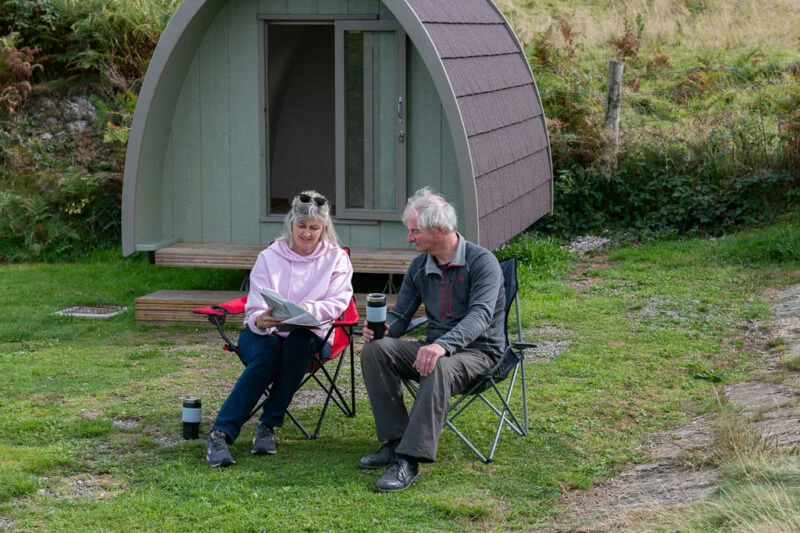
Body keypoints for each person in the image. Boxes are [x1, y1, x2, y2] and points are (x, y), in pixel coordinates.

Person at [359, 187, 506, 492]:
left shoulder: (483, 262)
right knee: (376, 350)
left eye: (414, 231)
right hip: (434, 349)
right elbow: (400, 315)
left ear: (438, 230)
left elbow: (480, 317)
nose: (410, 238)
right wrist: (383, 329)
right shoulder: (419, 267)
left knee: (437, 365)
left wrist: (442, 346)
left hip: (479, 352)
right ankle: (396, 440)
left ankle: (408, 460)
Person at [206, 190, 353, 467]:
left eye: (314, 228)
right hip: (266, 330)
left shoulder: (336, 259)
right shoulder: (269, 256)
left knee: (297, 347)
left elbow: (338, 302)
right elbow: (255, 305)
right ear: (290, 225)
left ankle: (267, 425)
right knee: (265, 359)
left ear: (324, 229)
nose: (307, 234)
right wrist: (260, 320)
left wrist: (308, 310)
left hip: (309, 332)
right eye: (302, 227)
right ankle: (220, 433)